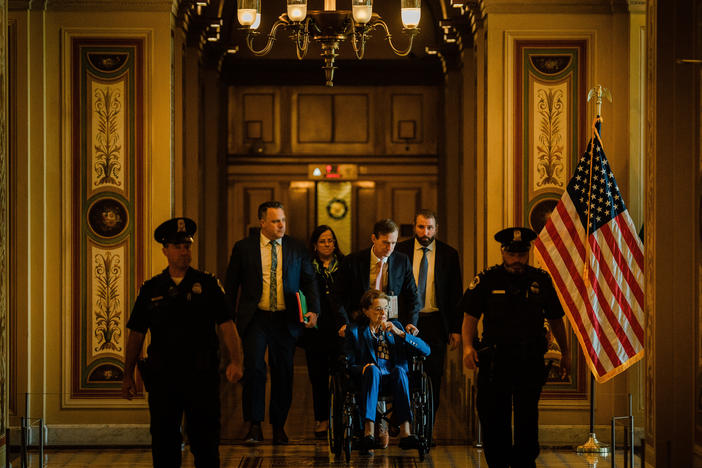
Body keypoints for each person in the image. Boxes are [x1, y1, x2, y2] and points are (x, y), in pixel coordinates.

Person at [121, 217, 243, 468]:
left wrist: (236, 361)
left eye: (187, 245)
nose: (184, 251)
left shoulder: (208, 285)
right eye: (177, 246)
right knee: (164, 440)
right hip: (164, 376)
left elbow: (227, 324)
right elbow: (136, 332)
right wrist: (127, 374)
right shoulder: (152, 288)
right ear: (165, 250)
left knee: (205, 440)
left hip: (202, 375)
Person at [460, 227, 570, 468]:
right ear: (503, 252)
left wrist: (566, 352)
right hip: (495, 360)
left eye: (521, 255)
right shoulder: (487, 279)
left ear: (528, 253)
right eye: (512, 254)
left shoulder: (541, 279)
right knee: (493, 416)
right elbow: (470, 316)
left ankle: (524, 462)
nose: (516, 260)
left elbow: (555, 318)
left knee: (527, 416)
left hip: (529, 357)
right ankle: (498, 463)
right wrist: (468, 347)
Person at [224, 201, 320, 445]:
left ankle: (279, 426)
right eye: (276, 221)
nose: (281, 225)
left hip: (285, 320)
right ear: (262, 222)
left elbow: (309, 282)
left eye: (283, 220)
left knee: (283, 372)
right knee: (255, 369)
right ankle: (254, 425)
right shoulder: (243, 248)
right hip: (256, 317)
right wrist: (227, 318)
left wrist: (313, 311)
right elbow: (232, 284)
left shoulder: (296, 248)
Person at [396, 210, 463, 437]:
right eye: (421, 227)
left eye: (430, 228)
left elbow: (455, 294)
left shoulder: (449, 254)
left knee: (433, 377)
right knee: (404, 372)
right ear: (414, 227)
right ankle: (405, 423)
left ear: (437, 229)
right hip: (406, 323)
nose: (426, 232)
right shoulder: (400, 251)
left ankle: (426, 429)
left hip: (436, 322)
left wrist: (455, 329)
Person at [344, 289, 430, 451]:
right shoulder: (355, 330)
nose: (383, 313)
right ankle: (368, 433)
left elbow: (426, 351)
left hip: (394, 379)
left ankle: (406, 432)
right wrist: (363, 369)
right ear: (366, 311)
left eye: (386, 308)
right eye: (378, 309)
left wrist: (401, 334)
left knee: (399, 370)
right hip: (369, 379)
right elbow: (349, 363)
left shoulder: (396, 327)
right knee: (373, 370)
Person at [335, 218, 421, 338]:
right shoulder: (352, 261)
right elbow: (338, 296)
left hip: (390, 325)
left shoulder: (402, 261)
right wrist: (344, 323)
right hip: (358, 324)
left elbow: (413, 296)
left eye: (393, 243)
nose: (390, 248)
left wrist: (411, 322)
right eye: (385, 242)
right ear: (374, 239)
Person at [300, 224, 345, 439]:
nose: (328, 245)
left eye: (331, 241)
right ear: (315, 245)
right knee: (317, 377)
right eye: (323, 241)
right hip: (315, 331)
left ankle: (343, 418)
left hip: (340, 329)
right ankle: (322, 419)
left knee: (342, 376)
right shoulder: (307, 266)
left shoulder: (344, 265)